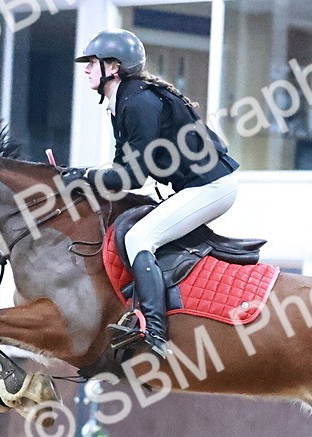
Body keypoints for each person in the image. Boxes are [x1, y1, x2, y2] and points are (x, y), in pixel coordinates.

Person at [65, 28, 239, 360]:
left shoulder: (138, 102)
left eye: (92, 62)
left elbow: (133, 175)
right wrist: (84, 179)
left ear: (113, 67)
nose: (86, 69)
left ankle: (154, 332)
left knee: (140, 237)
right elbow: (122, 168)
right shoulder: (123, 100)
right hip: (197, 185)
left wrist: (85, 175)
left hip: (212, 188)